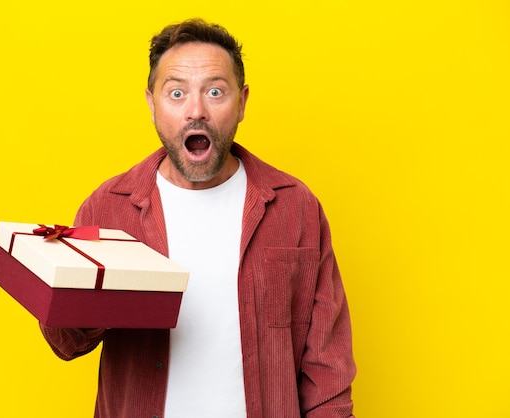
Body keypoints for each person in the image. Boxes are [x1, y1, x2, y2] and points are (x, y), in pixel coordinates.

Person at [39, 18, 356, 418]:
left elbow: (328, 369)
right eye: (176, 93)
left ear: (241, 103)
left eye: (215, 92)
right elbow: (66, 343)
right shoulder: (108, 208)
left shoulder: (296, 208)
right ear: (152, 104)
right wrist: (69, 288)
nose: (196, 110)